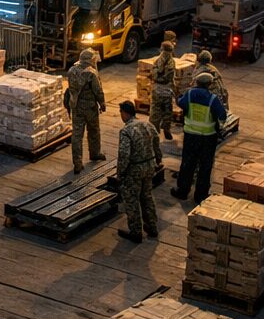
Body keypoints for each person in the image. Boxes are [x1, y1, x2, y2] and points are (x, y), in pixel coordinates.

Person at [172, 73, 227, 205]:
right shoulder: (212, 99)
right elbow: (222, 115)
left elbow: (180, 103)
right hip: (208, 138)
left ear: (196, 82)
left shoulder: (189, 94)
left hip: (191, 135)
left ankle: (182, 191)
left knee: (187, 163)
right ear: (209, 84)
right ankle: (200, 195)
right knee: (205, 166)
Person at [116, 100, 163, 243]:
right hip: (149, 167)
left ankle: (136, 232)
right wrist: (158, 160)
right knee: (147, 196)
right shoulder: (148, 125)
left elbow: (124, 154)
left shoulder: (126, 131)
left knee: (132, 200)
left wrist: (121, 173)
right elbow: (156, 143)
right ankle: (152, 226)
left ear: (124, 113)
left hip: (134, 170)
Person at [66, 48, 107, 173]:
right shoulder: (91, 73)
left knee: (77, 135)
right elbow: (97, 91)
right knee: (93, 130)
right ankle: (94, 153)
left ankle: (77, 163)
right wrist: (102, 103)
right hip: (90, 107)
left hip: (76, 107)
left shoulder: (71, 70)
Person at [149, 37, 176, 140]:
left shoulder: (158, 60)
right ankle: (166, 128)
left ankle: (154, 131)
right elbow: (171, 76)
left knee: (155, 110)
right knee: (167, 110)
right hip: (167, 89)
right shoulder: (172, 61)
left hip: (157, 89)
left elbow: (154, 74)